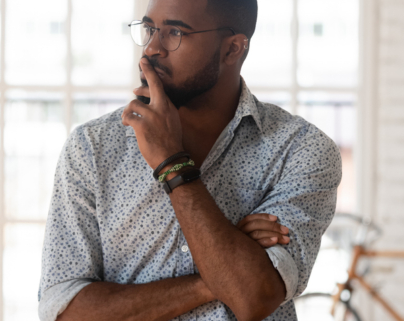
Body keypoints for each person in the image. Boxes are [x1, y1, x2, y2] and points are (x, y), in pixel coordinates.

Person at [38, 0, 341, 320]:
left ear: (232, 49)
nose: (152, 48)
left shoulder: (301, 150)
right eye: (150, 29)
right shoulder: (93, 147)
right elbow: (64, 310)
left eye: (174, 32)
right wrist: (220, 277)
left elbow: (254, 299)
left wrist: (172, 164)